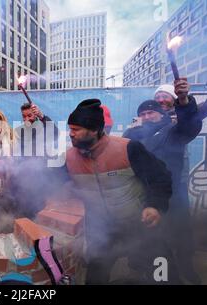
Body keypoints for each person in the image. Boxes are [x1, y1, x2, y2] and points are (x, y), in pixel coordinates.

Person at [64, 99, 178, 284]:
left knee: (163, 273)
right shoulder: (69, 158)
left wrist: (155, 206)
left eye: (76, 129)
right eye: (70, 128)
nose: (71, 134)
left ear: (94, 130)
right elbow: (51, 181)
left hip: (139, 224)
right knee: (95, 277)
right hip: (101, 231)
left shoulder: (129, 148)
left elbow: (161, 177)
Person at [123, 78, 203, 284]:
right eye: (143, 114)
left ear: (161, 114)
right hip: (144, 196)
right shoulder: (132, 135)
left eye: (151, 113)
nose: (147, 117)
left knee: (180, 235)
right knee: (152, 240)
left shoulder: (173, 130)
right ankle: (150, 272)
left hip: (174, 195)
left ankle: (185, 269)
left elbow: (190, 125)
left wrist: (184, 100)